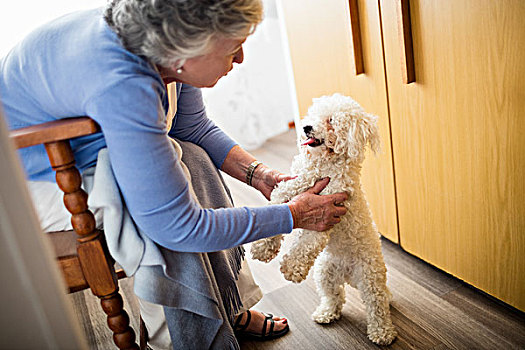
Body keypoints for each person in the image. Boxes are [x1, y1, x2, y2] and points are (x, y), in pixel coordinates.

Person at [0, 0, 348, 349]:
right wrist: (292, 215)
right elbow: (177, 225)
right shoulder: (123, 82)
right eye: (233, 47)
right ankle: (181, 340)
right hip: (32, 176)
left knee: (192, 157)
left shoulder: (165, 45)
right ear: (185, 51)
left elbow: (191, 127)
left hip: (92, 146)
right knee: (151, 211)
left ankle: (229, 306)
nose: (241, 58)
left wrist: (259, 175)